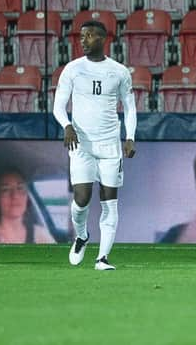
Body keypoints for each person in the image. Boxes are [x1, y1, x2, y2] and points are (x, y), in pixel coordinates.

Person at [53, 20, 137, 271]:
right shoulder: (73, 69)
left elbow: (130, 107)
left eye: (89, 35)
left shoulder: (119, 71)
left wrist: (130, 136)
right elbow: (58, 105)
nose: (83, 40)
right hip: (81, 143)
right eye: (81, 36)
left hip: (110, 145)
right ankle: (81, 236)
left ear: (102, 39)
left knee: (109, 199)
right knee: (81, 198)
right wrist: (66, 125)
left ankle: (102, 258)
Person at [0, 168, 55, 244]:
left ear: (26, 196)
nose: (15, 195)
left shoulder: (41, 235)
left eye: (20, 188)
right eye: (5, 189)